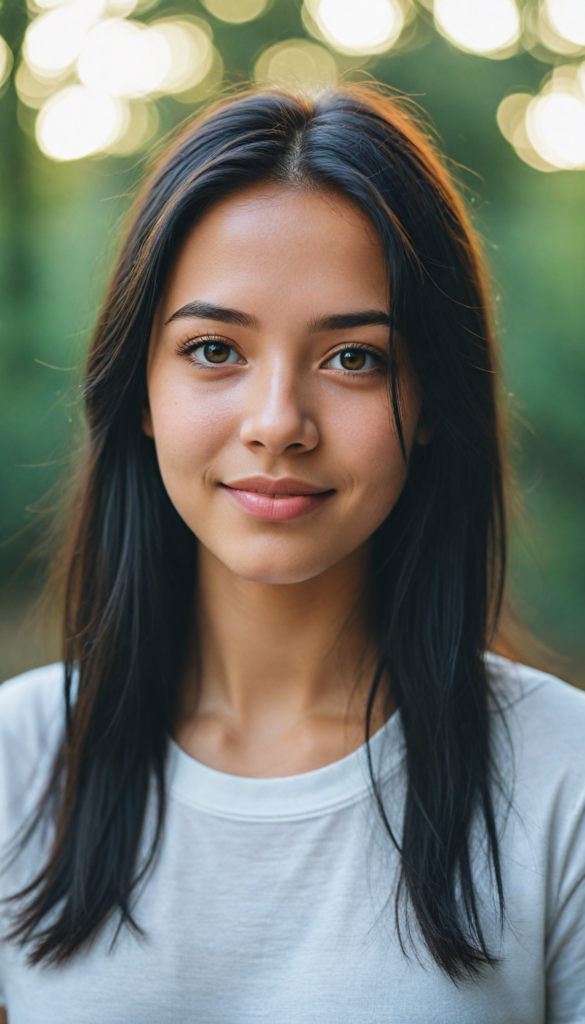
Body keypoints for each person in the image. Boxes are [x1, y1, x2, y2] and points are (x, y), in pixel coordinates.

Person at [0, 85, 584, 1024]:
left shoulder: (564, 779)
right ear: (138, 391)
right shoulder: (16, 764)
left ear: (432, 398)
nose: (276, 424)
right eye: (214, 349)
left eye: (353, 358)